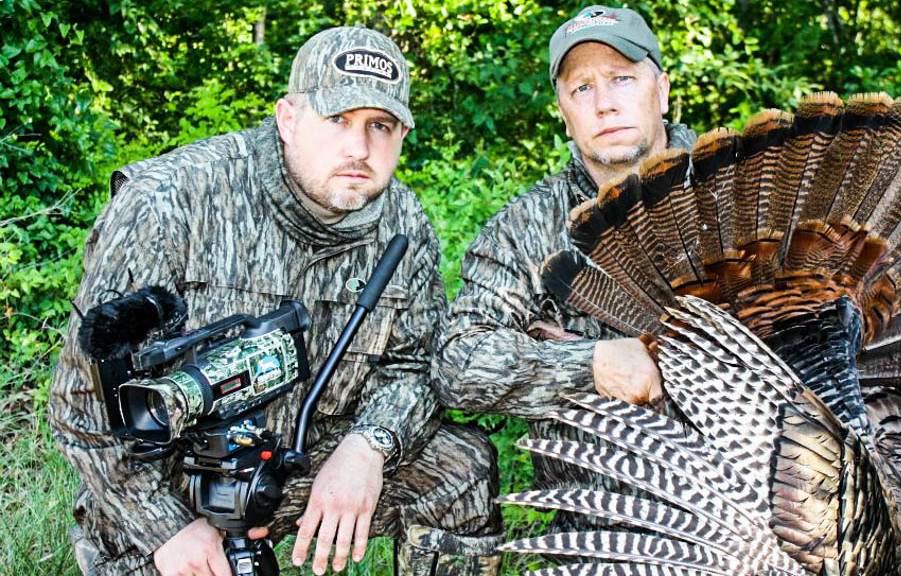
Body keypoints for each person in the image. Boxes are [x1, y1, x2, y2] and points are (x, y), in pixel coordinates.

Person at [49, 26, 502, 576]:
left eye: (378, 126)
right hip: (181, 481)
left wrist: (369, 446)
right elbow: (82, 403)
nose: (359, 148)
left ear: (403, 134)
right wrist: (165, 528)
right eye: (337, 120)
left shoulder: (403, 222)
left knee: (463, 468)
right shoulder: (170, 201)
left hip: (308, 457)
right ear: (288, 119)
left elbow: (415, 364)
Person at [432, 5, 695, 535]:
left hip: (767, 515)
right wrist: (589, 364)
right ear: (563, 110)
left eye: (622, 78)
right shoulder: (526, 226)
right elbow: (457, 362)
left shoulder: (747, 188)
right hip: (604, 531)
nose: (605, 104)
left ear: (661, 90)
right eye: (582, 89)